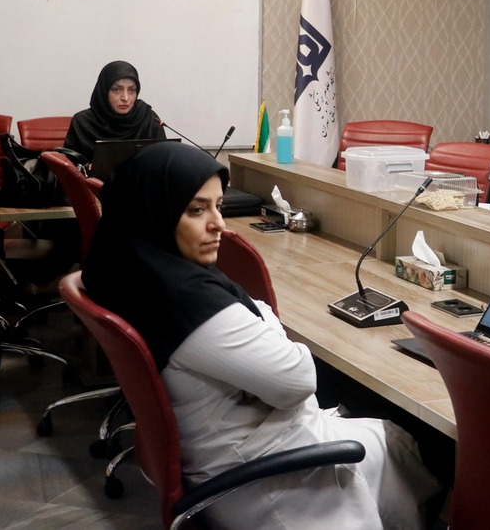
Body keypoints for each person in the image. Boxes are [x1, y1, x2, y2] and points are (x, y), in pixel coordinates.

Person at [81, 143, 440, 529]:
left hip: (233, 453)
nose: (219, 224)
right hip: (264, 479)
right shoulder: (186, 301)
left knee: (396, 439)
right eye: (197, 210)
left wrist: (263, 344)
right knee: (418, 443)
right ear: (155, 211)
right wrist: (270, 330)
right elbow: (298, 380)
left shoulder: (138, 270)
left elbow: (275, 360)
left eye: (219, 206)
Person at [64, 60, 165, 162]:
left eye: (131, 90)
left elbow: (163, 161)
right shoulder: (83, 123)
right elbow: (68, 168)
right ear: (104, 91)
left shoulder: (149, 119)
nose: (125, 98)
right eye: (116, 90)